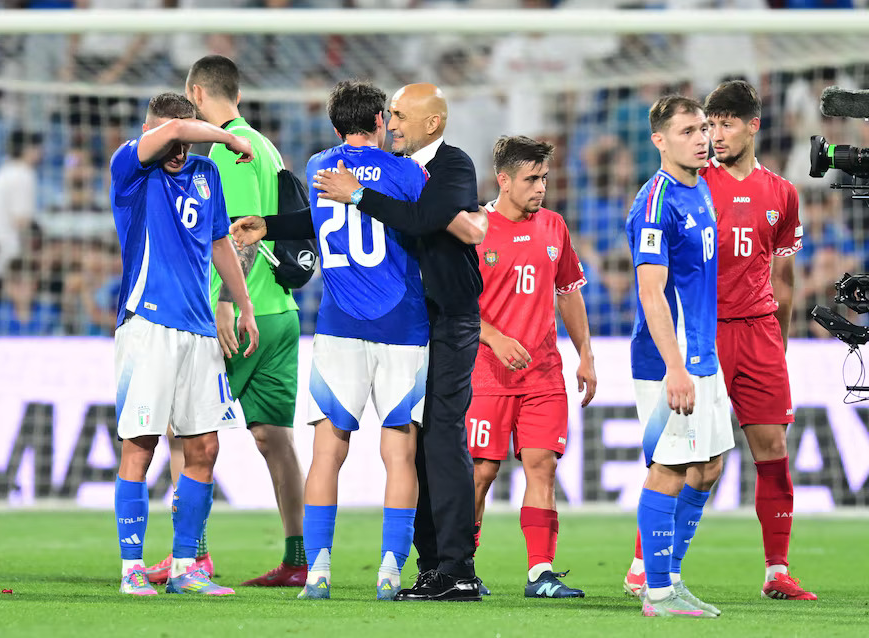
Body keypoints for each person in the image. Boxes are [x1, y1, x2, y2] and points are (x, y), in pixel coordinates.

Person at [230, 80, 430, 601]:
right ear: (383, 120)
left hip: (340, 326)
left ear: (336, 126)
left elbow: (316, 221)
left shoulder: (321, 166)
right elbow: (423, 224)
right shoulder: (408, 171)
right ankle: (390, 570)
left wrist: (267, 226)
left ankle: (317, 569)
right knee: (399, 452)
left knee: (327, 449)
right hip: (402, 326)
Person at [624, 81, 815, 601]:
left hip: (756, 332)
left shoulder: (781, 193)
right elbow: (654, 281)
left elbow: (784, 278)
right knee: (686, 461)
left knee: (767, 449)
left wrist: (781, 338)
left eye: (724, 124)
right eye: (705, 125)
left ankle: (776, 569)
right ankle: (651, 567)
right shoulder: (688, 184)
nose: (714, 135)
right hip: (697, 337)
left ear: (754, 125)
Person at [313, 83, 489, 601]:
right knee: (412, 446)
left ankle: (454, 566)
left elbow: (418, 219)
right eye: (387, 115)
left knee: (439, 437)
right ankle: (425, 565)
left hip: (445, 320)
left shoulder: (449, 167)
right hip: (409, 320)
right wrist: (274, 225)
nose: (392, 123)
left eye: (401, 115)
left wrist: (358, 193)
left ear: (431, 123)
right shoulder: (404, 171)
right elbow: (345, 214)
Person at [143, 54, 310, 588]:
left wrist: (226, 304)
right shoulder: (266, 145)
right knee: (273, 438)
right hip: (282, 313)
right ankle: (297, 556)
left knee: (182, 432)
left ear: (195, 93)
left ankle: (191, 554)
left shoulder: (225, 152)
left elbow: (235, 234)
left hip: (241, 318)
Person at [110, 92, 258, 597]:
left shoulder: (205, 174)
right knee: (141, 445)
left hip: (198, 332)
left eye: (187, 133)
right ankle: (132, 567)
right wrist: (229, 136)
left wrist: (244, 305)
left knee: (203, 446)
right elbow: (173, 133)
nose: (179, 146)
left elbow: (220, 243)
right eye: (172, 134)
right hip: (147, 325)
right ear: (152, 131)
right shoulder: (131, 167)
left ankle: (185, 567)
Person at [468, 136, 596, 599]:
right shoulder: (475, 228)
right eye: (531, 179)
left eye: (543, 178)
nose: (540, 187)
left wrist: (585, 353)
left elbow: (569, 292)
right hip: (485, 374)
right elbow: (453, 304)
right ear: (503, 179)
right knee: (481, 472)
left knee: (541, 466)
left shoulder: (554, 227)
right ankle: (461, 565)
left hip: (543, 374)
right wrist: (496, 337)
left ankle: (540, 572)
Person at [626, 95, 734, 618]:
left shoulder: (702, 189)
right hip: (668, 361)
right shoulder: (655, 201)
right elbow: (652, 292)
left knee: (709, 466)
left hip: (703, 355)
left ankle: (668, 576)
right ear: (660, 140)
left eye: (704, 128)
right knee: (670, 467)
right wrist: (675, 367)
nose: (703, 137)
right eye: (690, 130)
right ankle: (658, 592)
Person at [0, 129, 43, 279]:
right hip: (5, 257)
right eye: (36, 147)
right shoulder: (24, 174)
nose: (40, 152)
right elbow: (21, 221)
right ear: (26, 150)